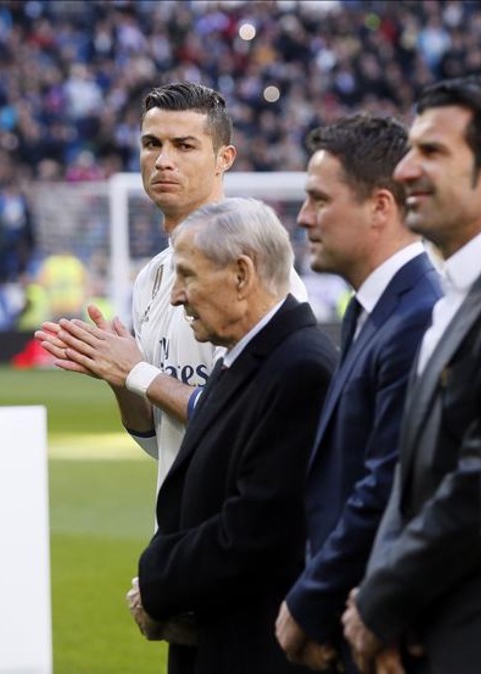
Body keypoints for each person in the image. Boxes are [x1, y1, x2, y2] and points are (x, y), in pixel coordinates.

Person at [340, 78, 481, 674]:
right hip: (429, 628)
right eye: (409, 151)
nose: (406, 171)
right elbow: (413, 476)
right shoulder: (452, 291)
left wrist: (381, 600)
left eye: (433, 152)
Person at [35, 83, 305, 495]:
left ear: (224, 158)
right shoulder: (153, 277)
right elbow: (159, 441)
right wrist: (120, 377)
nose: (163, 161)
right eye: (151, 144)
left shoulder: (252, 271)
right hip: (180, 537)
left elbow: (258, 424)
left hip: (243, 541)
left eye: (184, 146)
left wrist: (138, 372)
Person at [129, 197, 337, 674]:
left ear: (242, 276)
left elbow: (254, 532)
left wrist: (157, 582)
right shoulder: (240, 360)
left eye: (189, 275)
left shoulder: (300, 369)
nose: (177, 295)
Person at [274, 113, 442, 672]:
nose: (303, 218)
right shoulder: (368, 308)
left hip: (377, 624)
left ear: (381, 207)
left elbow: (386, 483)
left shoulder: (418, 316)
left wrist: (310, 600)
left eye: (319, 200)